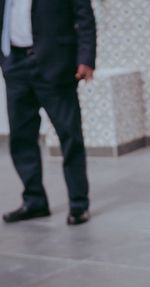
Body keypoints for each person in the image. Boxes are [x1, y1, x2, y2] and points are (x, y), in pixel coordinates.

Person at [1, 0, 96, 225]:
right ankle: (34, 201)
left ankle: (78, 204)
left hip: (56, 64)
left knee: (70, 136)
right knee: (21, 138)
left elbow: (85, 18)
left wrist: (86, 59)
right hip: (15, 65)